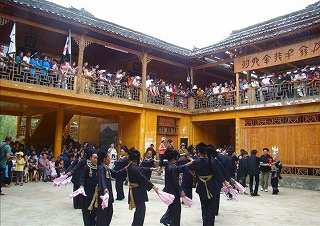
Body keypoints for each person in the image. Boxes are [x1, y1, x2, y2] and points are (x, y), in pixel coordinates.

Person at [189, 142, 230, 226]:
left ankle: (205, 223)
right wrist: (225, 183)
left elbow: (190, 171)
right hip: (211, 186)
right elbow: (218, 173)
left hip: (201, 186)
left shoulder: (195, 162)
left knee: (204, 207)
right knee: (211, 208)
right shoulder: (211, 161)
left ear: (199, 153)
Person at [126, 148, 159, 226]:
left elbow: (142, 170)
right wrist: (153, 186)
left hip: (135, 190)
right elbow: (142, 178)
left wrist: (150, 169)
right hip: (138, 191)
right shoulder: (134, 168)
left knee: (139, 210)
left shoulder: (131, 166)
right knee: (140, 211)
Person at [160, 147, 191, 226]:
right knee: (176, 211)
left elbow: (178, 168)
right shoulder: (172, 168)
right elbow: (175, 182)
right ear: (174, 158)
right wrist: (180, 191)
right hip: (174, 192)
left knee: (172, 208)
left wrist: (187, 165)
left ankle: (165, 218)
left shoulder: (168, 165)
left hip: (169, 191)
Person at [79, 150, 99, 226]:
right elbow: (82, 177)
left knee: (95, 211)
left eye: (97, 158)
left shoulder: (99, 168)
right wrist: (81, 185)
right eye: (94, 158)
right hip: (87, 192)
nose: (95, 159)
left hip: (95, 193)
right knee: (86, 211)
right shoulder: (86, 168)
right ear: (90, 158)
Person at [96, 151, 115, 226]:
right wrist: (104, 188)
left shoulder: (106, 167)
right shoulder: (101, 168)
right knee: (103, 214)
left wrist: (125, 169)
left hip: (107, 193)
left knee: (109, 212)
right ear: (104, 159)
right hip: (103, 194)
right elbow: (102, 179)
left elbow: (115, 173)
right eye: (108, 158)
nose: (110, 159)